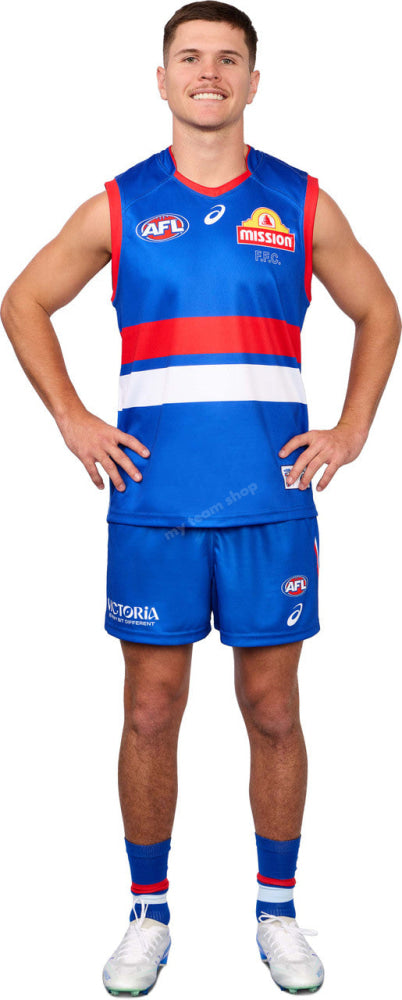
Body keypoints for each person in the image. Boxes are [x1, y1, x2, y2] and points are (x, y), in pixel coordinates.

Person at [1, 1, 400, 995]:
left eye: (228, 58)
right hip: (155, 505)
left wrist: (353, 428)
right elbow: (23, 301)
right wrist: (72, 417)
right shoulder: (120, 203)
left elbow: (379, 309)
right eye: (191, 57)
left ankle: (277, 911)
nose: (209, 73)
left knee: (273, 708)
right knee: (150, 710)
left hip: (271, 503)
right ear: (163, 78)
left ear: (255, 80)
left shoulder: (300, 201)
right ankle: (148, 913)